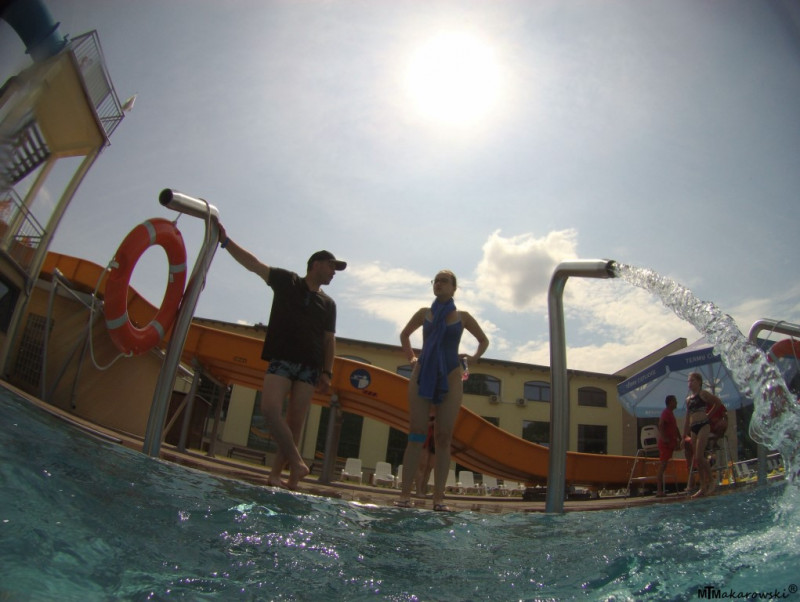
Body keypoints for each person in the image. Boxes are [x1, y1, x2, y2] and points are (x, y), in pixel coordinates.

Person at [218, 224, 345, 489]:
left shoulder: (329, 303)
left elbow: (329, 340)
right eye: (331, 266)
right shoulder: (288, 281)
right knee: (269, 410)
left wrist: (327, 372)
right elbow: (254, 265)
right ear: (316, 264)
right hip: (282, 359)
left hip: (310, 367)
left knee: (295, 424)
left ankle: (281, 476)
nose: (334, 272)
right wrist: (226, 242)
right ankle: (298, 462)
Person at [395, 270, 489, 511]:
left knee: (443, 437)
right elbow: (405, 335)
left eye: (444, 281)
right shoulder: (423, 313)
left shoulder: (464, 317)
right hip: (423, 373)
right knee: (416, 433)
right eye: (435, 280)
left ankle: (438, 498)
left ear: (454, 288)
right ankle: (404, 496)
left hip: (451, 375)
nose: (438, 284)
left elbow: (483, 340)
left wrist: (473, 358)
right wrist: (411, 358)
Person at [682, 371, 722, 498]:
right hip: (693, 428)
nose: (690, 383)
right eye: (688, 381)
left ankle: (711, 481)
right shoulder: (688, 400)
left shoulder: (703, 394)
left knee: (699, 456)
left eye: (692, 380)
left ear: (699, 382)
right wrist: (684, 436)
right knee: (697, 459)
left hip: (703, 425)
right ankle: (703, 486)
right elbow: (687, 418)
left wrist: (708, 416)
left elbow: (717, 403)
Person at [655, 394, 682, 497]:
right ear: (670, 402)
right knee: (663, 465)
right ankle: (659, 490)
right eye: (675, 401)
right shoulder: (666, 412)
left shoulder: (671, 413)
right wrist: (664, 437)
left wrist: (680, 438)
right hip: (665, 444)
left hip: (671, 444)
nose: (676, 403)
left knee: (664, 465)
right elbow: (661, 424)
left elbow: (675, 427)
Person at [414, 414, 436, 496]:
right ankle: (418, 490)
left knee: (429, 467)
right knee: (422, 465)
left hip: (434, 440)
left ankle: (423, 490)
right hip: (425, 437)